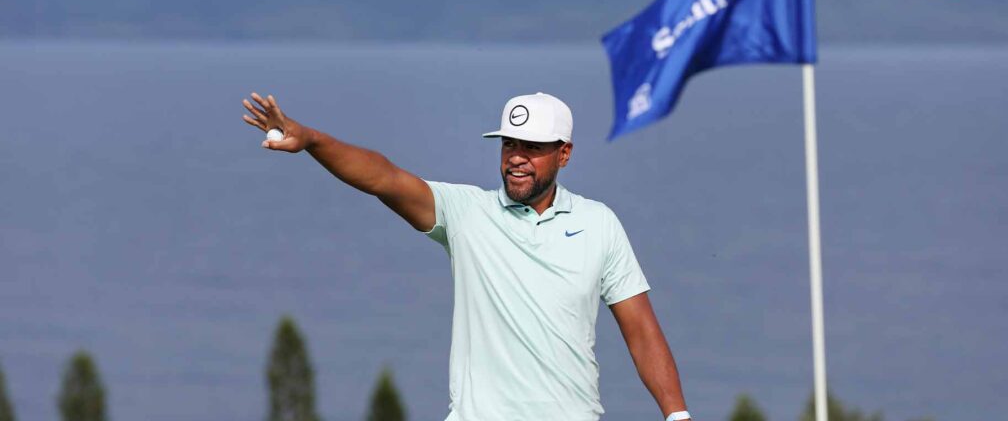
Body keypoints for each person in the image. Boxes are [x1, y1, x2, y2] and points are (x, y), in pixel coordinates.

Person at [242, 91, 692, 421]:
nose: (516, 158)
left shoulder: (600, 224)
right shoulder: (466, 213)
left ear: (564, 154)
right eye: (508, 144)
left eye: (532, 147)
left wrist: (677, 417)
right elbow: (385, 179)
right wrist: (314, 140)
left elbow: (642, 331)